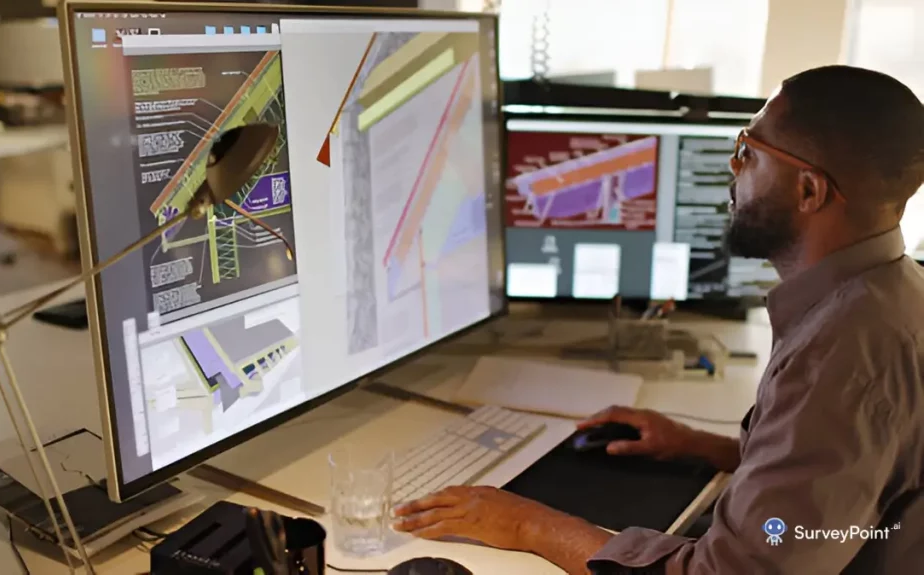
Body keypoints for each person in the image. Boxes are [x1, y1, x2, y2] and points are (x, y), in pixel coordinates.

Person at [393, 65, 924, 574]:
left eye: (747, 152)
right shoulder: (891, 294)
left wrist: (527, 524)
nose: (733, 169)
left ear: (809, 191)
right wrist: (705, 447)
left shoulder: (844, 357)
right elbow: (843, 474)